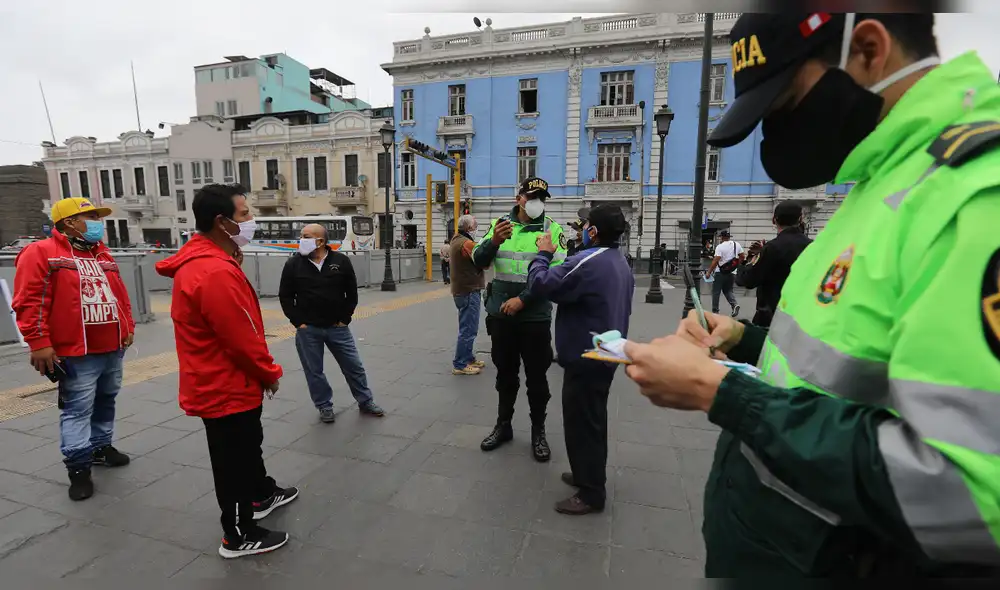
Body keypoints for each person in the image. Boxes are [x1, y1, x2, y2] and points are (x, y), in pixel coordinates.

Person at [622, 11, 1000, 578]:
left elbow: (975, 495)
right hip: (780, 546)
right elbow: (850, 365)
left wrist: (721, 392)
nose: (776, 135)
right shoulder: (881, 180)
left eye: (784, 105)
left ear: (868, 48)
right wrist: (745, 341)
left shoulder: (972, 196)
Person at [155, 184, 297, 559]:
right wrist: (269, 371)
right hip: (224, 385)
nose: (251, 221)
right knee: (232, 459)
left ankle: (261, 494)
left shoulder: (217, 261)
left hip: (228, 381)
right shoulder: (213, 272)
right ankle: (237, 533)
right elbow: (240, 337)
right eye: (245, 214)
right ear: (221, 222)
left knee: (248, 445)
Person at [12, 197, 134, 501]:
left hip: (111, 347)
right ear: (69, 222)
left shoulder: (101, 253)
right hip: (76, 352)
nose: (97, 222)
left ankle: (100, 447)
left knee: (107, 399)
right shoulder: (41, 253)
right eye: (90, 216)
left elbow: (119, 293)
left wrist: (127, 327)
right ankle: (78, 467)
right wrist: (39, 342)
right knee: (77, 409)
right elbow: (30, 301)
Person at [528, 204, 634, 515]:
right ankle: (587, 474)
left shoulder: (588, 261)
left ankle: (591, 493)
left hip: (587, 356)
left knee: (582, 423)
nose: (580, 229)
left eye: (584, 225)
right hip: (607, 352)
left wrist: (544, 254)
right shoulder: (619, 261)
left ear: (593, 231)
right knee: (592, 420)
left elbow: (541, 284)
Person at [472, 177, 567, 462]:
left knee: (537, 378)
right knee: (505, 375)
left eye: (542, 197)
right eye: (532, 196)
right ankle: (504, 426)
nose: (537, 201)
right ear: (519, 199)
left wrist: (524, 299)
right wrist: (493, 242)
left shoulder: (553, 229)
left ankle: (539, 431)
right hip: (501, 315)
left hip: (534, 316)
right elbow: (478, 260)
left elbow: (556, 275)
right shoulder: (499, 225)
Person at [278, 223, 385, 423]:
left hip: (338, 328)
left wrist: (345, 319)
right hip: (308, 330)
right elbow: (285, 296)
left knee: (354, 366)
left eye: (306, 236)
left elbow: (351, 293)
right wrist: (298, 322)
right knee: (314, 371)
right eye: (301, 236)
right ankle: (324, 406)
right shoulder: (293, 264)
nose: (301, 239)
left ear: (321, 241)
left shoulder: (341, 261)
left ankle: (365, 400)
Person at [735, 201, 812, 328]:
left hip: (772, 316)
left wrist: (749, 261)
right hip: (803, 316)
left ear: (774, 220)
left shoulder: (772, 247)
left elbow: (748, 281)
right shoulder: (813, 246)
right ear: (800, 219)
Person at [449, 214, 486, 376]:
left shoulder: (456, 239)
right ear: (469, 228)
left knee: (468, 326)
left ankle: (468, 358)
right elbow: (482, 261)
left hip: (461, 290)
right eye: (475, 225)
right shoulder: (466, 243)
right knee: (468, 329)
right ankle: (460, 363)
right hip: (469, 290)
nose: (477, 228)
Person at [704, 230, 743, 317]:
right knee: (728, 290)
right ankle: (734, 305)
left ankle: (715, 311)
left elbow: (716, 260)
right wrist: (736, 266)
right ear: (729, 237)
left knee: (716, 292)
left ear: (722, 237)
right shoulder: (737, 245)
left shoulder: (720, 247)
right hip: (732, 272)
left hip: (720, 272)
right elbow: (742, 256)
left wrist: (709, 272)